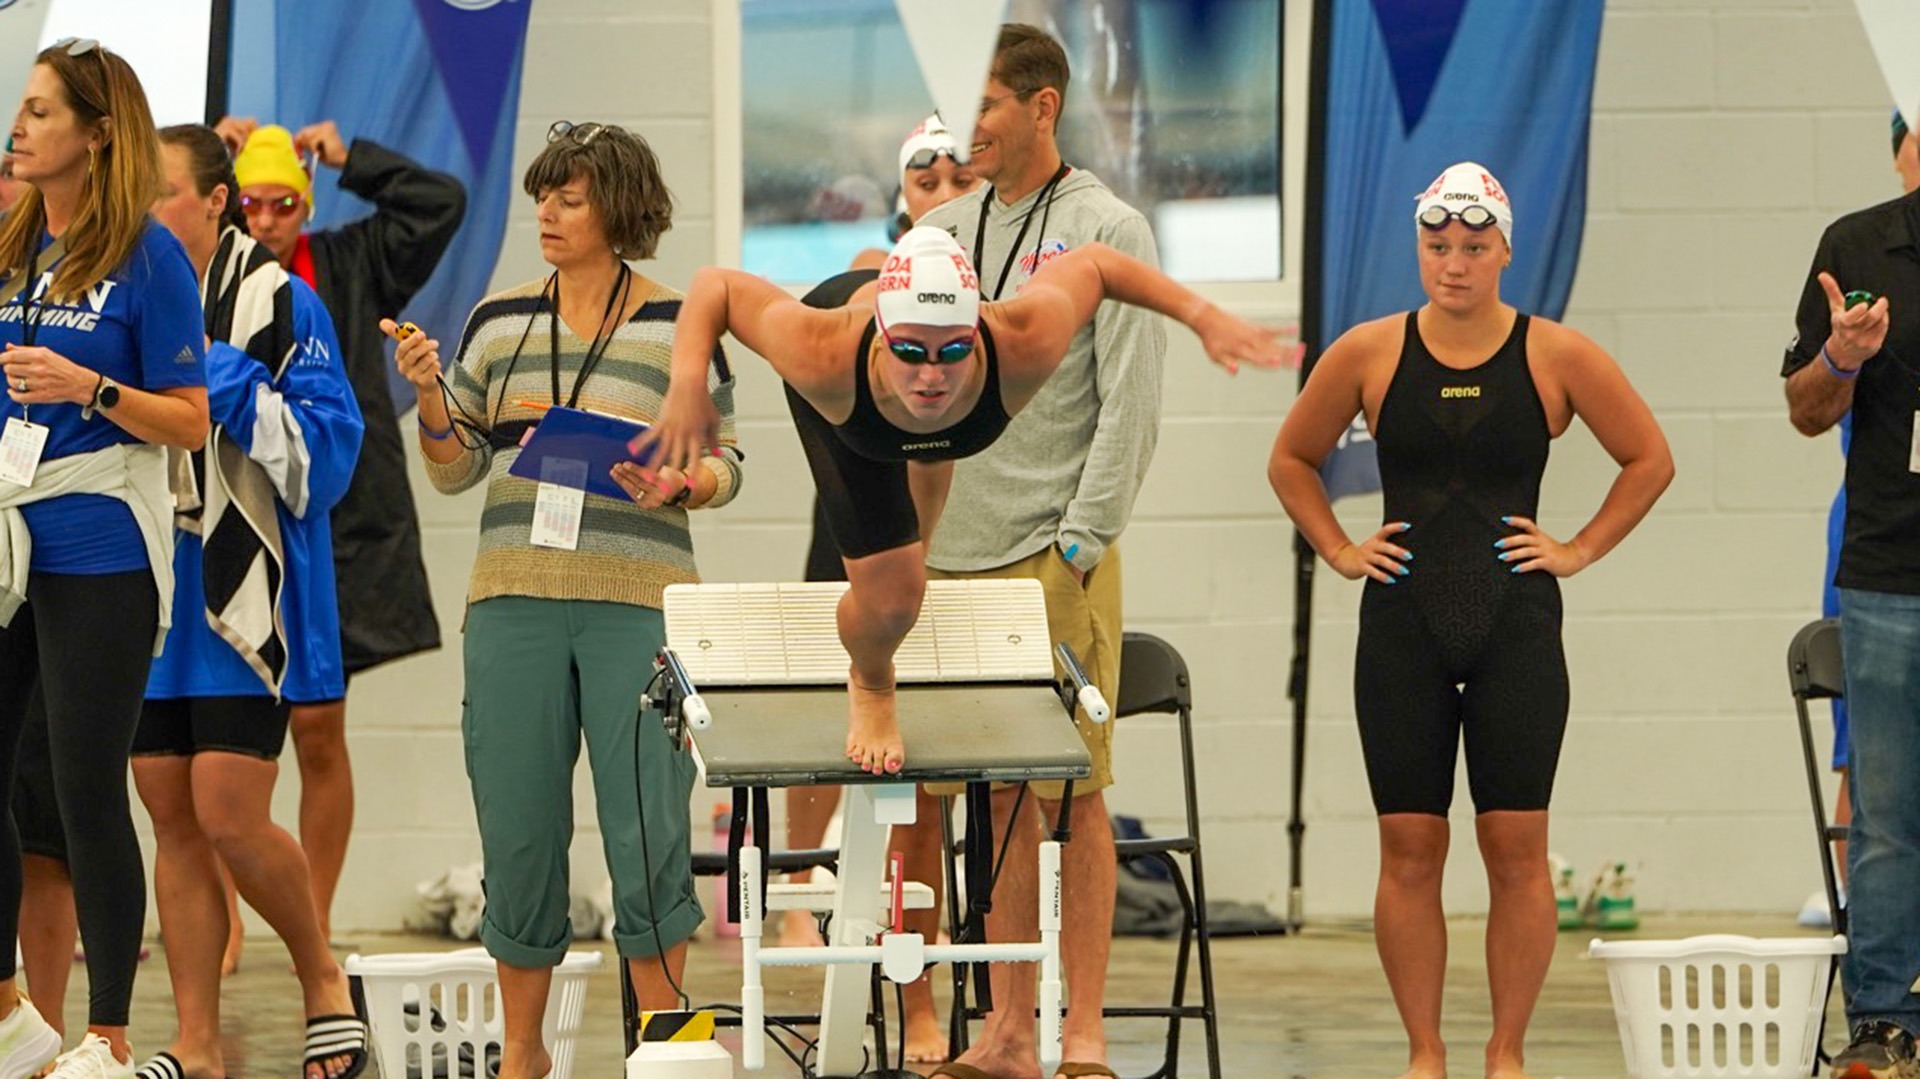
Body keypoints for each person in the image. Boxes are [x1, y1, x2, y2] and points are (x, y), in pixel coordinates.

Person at [1268, 162, 1672, 1079]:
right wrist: (1338, 548)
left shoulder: (1555, 355)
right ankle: (1425, 1053)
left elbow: (1648, 457)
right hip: (1402, 623)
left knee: (1515, 844)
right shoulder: (1368, 351)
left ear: (1505, 250)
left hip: (1516, 624)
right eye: (1437, 245)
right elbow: (1291, 458)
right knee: (1410, 845)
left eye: (1473, 247)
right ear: (1421, 245)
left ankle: (1507, 1052)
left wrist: (1576, 548)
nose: (1453, 263)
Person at [390, 120, 742, 1079]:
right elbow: (457, 468)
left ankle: (667, 1048)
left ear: (619, 209)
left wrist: (683, 482)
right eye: (542, 194)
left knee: (650, 823)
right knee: (517, 823)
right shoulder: (498, 319)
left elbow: (728, 463)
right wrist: (429, 397)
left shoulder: (680, 323)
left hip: (641, 600)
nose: (545, 211)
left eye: (569, 197)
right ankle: (525, 1060)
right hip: (513, 595)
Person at [911, 25, 1164, 1078]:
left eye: (985, 107)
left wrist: (1081, 539)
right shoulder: (946, 229)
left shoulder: (1112, 227)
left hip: (1054, 553)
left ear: (1043, 106)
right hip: (953, 555)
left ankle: (1084, 1028)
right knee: (1002, 797)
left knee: (1072, 789)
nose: (966, 128)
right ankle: (1012, 1025)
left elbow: (1132, 401)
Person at [128, 122, 368, 1079]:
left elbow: (330, 459)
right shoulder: (120, 297)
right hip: (141, 579)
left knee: (229, 809)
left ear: (215, 200)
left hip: (241, 587)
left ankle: (320, 977)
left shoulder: (282, 302)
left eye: (161, 191)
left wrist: (221, 383)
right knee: (169, 809)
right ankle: (197, 1040)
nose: (143, 209)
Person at [0, 38, 212, 1078]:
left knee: (87, 785)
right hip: (9, 531)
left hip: (102, 547)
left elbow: (190, 421)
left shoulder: (147, 254)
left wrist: (88, 387)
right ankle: (9, 1010)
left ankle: (112, 1033)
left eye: (42, 110)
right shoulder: (9, 241)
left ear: (95, 132)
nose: (20, 124)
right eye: (22, 107)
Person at [218, 115, 464, 948]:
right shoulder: (212, 277)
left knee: (320, 729)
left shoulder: (355, 262)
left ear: (306, 202)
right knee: (230, 739)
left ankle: (310, 921)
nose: (265, 221)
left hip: (344, 522)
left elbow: (441, 203)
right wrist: (215, 158)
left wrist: (352, 157)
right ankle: (225, 924)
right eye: (248, 203)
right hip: (240, 520)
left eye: (282, 204)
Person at [781, 113, 982, 1064]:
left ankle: (922, 1003)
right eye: (924, 170)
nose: (941, 181)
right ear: (903, 188)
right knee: (829, 712)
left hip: (942, 545)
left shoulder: (993, 282)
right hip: (861, 530)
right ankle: (798, 893)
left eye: (957, 169)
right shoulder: (874, 268)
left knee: (925, 803)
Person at [1782, 103, 1920, 1079]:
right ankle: (1881, 1014)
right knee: (1886, 808)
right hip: (1892, 574)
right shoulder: (1861, 245)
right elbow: (1803, 407)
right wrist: (1843, 356)